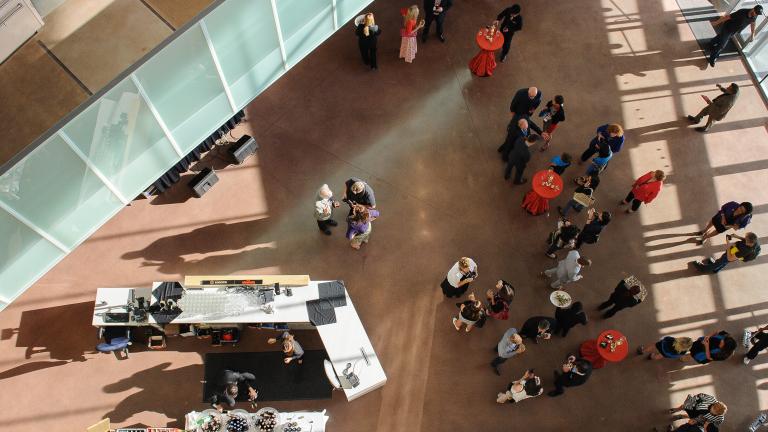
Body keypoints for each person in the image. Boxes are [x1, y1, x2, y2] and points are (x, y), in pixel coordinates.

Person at [695, 232, 760, 273]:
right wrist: (737, 236)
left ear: (749, 243)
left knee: (723, 260)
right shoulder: (754, 242)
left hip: (733, 254)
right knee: (724, 261)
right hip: (735, 251)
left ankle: (702, 268)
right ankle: (716, 270)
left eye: (746, 239)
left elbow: (730, 258)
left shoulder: (744, 251)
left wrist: (728, 245)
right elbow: (746, 240)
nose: (744, 238)